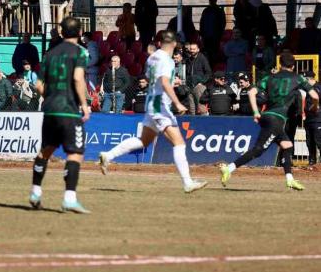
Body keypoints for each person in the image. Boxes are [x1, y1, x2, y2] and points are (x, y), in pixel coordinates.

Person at [98, 30, 208, 193]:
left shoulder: (152, 58)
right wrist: (177, 103)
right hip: (160, 105)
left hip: (151, 103)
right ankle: (187, 182)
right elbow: (164, 81)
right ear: (174, 44)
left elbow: (150, 78)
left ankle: (108, 155)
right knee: (179, 143)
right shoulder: (167, 60)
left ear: (159, 43)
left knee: (143, 141)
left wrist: (167, 82)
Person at [220, 52, 319, 191]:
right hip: (277, 120)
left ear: (280, 64)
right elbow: (315, 96)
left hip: (267, 116)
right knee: (258, 150)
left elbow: (251, 92)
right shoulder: (298, 78)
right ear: (293, 66)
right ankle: (229, 168)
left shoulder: (269, 77)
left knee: (287, 146)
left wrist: (256, 112)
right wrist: (314, 107)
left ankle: (290, 180)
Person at [28, 16, 91, 214]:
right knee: (75, 153)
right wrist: (84, 104)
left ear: (61, 32)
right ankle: (69, 198)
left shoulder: (49, 54)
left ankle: (35, 192)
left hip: (49, 109)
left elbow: (38, 85)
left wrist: (51, 97)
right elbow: (78, 78)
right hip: (68, 110)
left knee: (45, 151)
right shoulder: (80, 52)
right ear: (80, 32)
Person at [185, 42, 212, 113]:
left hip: (199, 86)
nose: (192, 51)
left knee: (201, 107)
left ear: (198, 49)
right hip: (190, 86)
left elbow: (209, 73)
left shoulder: (202, 58)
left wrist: (202, 82)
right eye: (191, 49)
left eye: (194, 49)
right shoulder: (188, 59)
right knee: (191, 109)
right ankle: (192, 120)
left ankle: (204, 120)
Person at [199, 0, 226, 64]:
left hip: (210, 36)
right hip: (212, 36)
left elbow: (202, 23)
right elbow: (223, 24)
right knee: (212, 52)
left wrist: (202, 34)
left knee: (210, 53)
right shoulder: (218, 10)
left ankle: (210, 65)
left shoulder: (206, 10)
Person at [303, 71, 321, 166]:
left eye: (305, 79)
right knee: (309, 142)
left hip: (318, 119)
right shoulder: (308, 89)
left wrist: (314, 108)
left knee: (319, 141)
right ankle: (312, 162)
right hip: (309, 119)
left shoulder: (318, 87)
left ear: (308, 79)